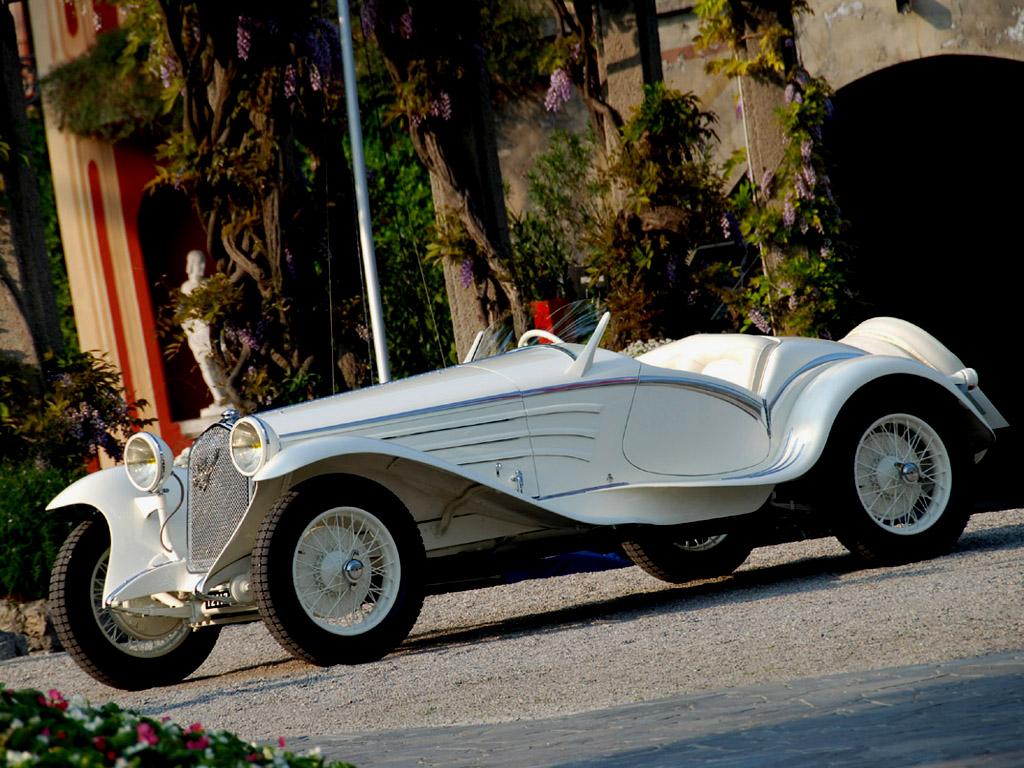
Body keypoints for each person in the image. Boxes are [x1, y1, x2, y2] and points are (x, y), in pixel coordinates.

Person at [180, 250, 231, 417]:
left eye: (203, 262)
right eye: (198, 263)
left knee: (223, 358)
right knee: (206, 365)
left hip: (213, 330)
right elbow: (183, 312)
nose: (202, 267)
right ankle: (219, 397)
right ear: (192, 266)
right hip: (197, 332)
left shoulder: (210, 283)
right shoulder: (187, 287)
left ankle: (229, 393)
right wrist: (190, 328)